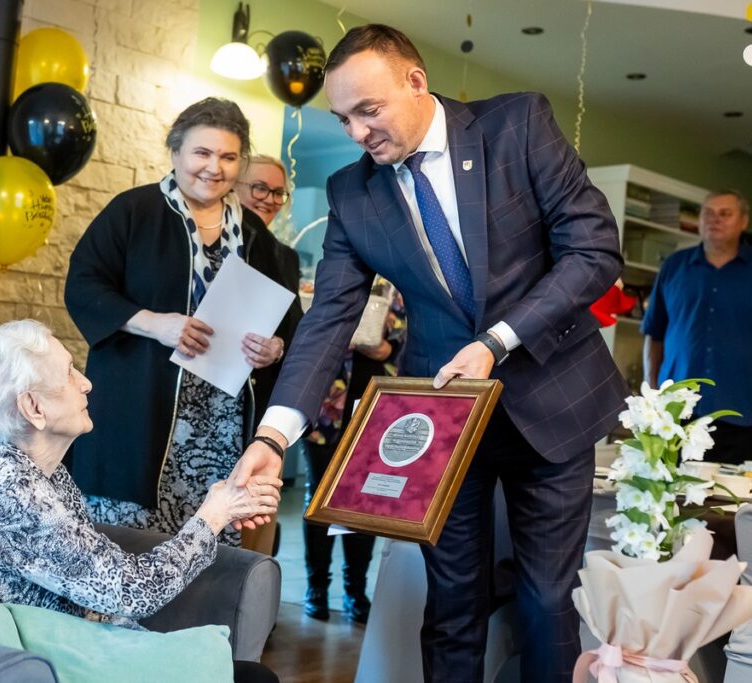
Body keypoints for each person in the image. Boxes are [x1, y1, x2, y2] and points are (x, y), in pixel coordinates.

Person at [228, 25, 627, 682]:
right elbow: (330, 317)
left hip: (552, 401)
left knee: (547, 600)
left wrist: (496, 341)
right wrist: (274, 436)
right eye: (342, 118)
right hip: (443, 419)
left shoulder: (518, 126)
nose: (355, 133)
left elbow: (594, 249)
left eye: (368, 110)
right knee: (451, 605)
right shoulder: (352, 194)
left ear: (416, 81)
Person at [0, 320, 281, 683]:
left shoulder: (38, 473)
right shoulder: (4, 487)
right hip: (46, 663)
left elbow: (100, 581)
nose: (86, 383)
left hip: (77, 649)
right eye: (69, 373)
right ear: (33, 407)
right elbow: (132, 591)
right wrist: (215, 512)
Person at [64, 98, 296, 547]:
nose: (214, 167)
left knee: (204, 551)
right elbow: (83, 285)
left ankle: (196, 622)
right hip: (137, 413)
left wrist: (276, 346)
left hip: (221, 423)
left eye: (228, 157)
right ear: (175, 153)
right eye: (202, 153)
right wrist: (153, 323)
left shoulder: (254, 234)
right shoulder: (133, 212)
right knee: (123, 549)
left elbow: (289, 320)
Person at [642, 189, 752, 464]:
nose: (715, 220)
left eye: (725, 214)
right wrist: (651, 391)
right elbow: (655, 333)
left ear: (743, 221)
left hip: (744, 414)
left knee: (733, 503)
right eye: (708, 213)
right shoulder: (674, 266)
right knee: (669, 499)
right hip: (677, 413)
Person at [301, 279, 405, 624]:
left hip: (378, 409)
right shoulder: (333, 280)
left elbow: (404, 341)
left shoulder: (399, 287)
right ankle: (316, 589)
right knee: (319, 502)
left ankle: (355, 591)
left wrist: (385, 347)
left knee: (363, 507)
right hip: (327, 407)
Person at [234, 155, 304, 557]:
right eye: (259, 187)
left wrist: (279, 346)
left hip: (261, 406)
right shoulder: (212, 243)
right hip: (205, 402)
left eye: (278, 191)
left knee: (258, 510)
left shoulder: (285, 257)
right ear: (234, 187)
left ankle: (253, 609)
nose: (269, 198)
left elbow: (297, 332)